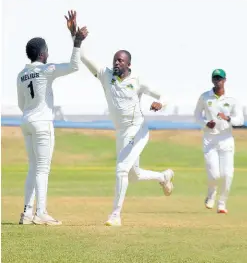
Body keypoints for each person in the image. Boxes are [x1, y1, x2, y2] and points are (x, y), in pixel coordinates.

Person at [66, 22, 174, 226]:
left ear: (128, 65)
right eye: (115, 60)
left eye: (120, 61)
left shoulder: (137, 80)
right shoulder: (105, 75)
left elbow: (164, 94)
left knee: (121, 170)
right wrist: (76, 37)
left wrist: (161, 102)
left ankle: (115, 215)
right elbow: (84, 57)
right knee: (133, 175)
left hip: (138, 130)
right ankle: (163, 177)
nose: (116, 63)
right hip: (122, 132)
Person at [17, 11, 87, 225]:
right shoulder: (47, 69)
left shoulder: (21, 74)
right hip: (42, 123)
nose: (48, 53)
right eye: (46, 50)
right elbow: (74, 66)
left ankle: (27, 213)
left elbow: (21, 104)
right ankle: (41, 213)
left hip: (26, 121)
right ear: (42, 54)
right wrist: (76, 42)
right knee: (43, 168)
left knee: (32, 166)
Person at [194, 69, 244, 214]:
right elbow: (197, 115)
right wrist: (205, 124)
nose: (218, 81)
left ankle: (222, 203)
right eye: (215, 78)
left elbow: (240, 120)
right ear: (212, 80)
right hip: (210, 139)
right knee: (214, 174)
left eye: (220, 78)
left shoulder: (232, 99)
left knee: (227, 174)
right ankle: (211, 194)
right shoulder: (205, 97)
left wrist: (228, 118)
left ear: (225, 80)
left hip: (226, 139)